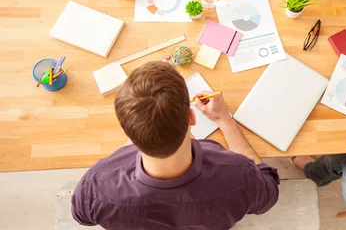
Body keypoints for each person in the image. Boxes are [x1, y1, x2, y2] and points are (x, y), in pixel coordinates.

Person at [71, 61, 279, 229]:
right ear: (191, 117)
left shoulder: (96, 186)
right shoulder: (238, 174)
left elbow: (81, 217)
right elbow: (269, 190)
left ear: (127, 132)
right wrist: (224, 119)